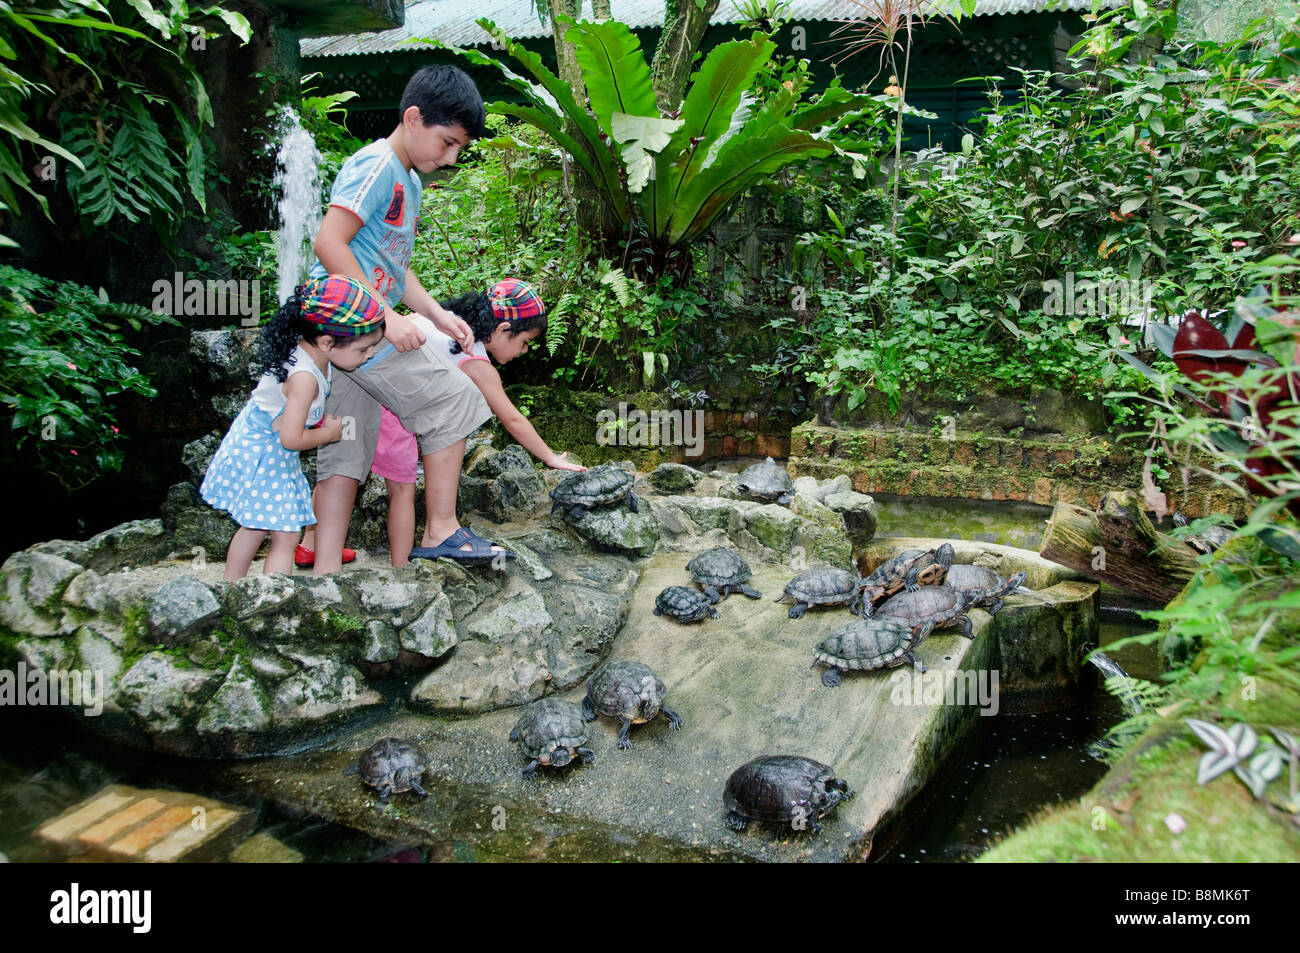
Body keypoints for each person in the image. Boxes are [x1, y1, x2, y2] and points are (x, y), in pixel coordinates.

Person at [296, 64, 506, 574]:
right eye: (447, 141)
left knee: (347, 449)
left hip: (345, 336)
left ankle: (326, 574)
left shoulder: (408, 180)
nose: (450, 156)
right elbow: (328, 243)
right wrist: (387, 318)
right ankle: (440, 530)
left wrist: (436, 313)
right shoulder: (376, 166)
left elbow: (393, 265)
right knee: (454, 396)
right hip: (358, 330)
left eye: (459, 148)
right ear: (413, 118)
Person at [368, 279, 586, 566]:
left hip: (369, 388)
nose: (523, 352)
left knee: (381, 486)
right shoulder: (472, 357)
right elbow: (511, 418)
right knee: (402, 489)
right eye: (525, 343)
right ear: (503, 329)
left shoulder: (447, 321)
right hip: (391, 410)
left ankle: (385, 563)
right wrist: (550, 458)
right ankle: (421, 554)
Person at [200, 275, 385, 580]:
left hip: (259, 448)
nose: (369, 355)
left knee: (255, 525)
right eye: (363, 349)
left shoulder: (311, 354)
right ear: (327, 342)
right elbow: (291, 437)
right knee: (285, 535)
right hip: (267, 454)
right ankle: (273, 595)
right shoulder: (304, 378)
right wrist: (328, 434)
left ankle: (231, 586)